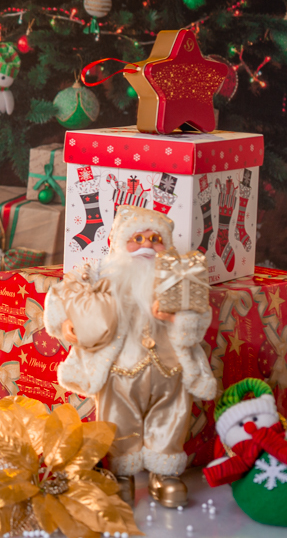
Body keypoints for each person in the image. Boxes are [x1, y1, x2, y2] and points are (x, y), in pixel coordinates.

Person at [44, 205, 215, 507]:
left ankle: (165, 473)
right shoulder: (101, 275)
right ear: (119, 243)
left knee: (172, 416)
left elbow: (200, 318)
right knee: (116, 419)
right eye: (137, 238)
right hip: (120, 370)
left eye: (155, 239)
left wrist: (178, 318)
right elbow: (65, 294)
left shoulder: (179, 278)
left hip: (170, 369)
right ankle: (120, 472)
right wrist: (66, 322)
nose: (147, 245)